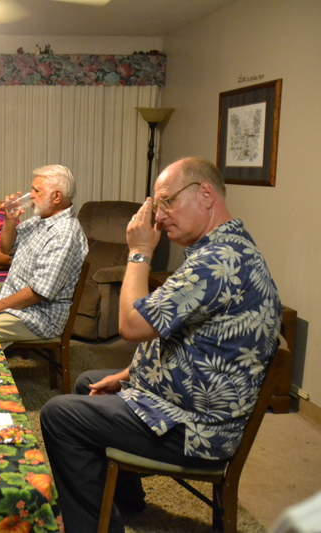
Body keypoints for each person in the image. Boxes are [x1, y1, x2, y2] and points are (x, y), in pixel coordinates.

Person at [39, 157, 282, 533]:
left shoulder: (218, 262)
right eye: (157, 205)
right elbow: (188, 340)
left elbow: (132, 325)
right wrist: (128, 374)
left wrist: (139, 252)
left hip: (198, 427)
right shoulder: (222, 247)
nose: (159, 217)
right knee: (90, 381)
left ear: (205, 194)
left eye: (167, 201)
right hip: (186, 397)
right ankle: (126, 498)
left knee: (59, 415)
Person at [0, 164, 88, 346]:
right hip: (15, 302)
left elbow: (37, 293)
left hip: (37, 316)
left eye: (36, 190)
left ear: (56, 196)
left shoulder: (65, 233)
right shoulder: (40, 220)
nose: (31, 194)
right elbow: (6, 248)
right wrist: (9, 220)